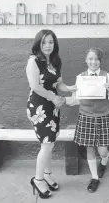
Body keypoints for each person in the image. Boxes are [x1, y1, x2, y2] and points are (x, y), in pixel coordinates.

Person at [26, 29, 76, 199]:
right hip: (39, 108)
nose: (48, 45)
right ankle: (38, 179)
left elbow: (59, 84)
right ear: (38, 43)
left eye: (51, 42)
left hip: (52, 107)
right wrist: (55, 98)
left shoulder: (55, 61)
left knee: (50, 143)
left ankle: (46, 175)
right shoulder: (33, 61)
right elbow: (36, 87)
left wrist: (69, 89)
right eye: (44, 42)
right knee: (47, 144)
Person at [65, 47, 109, 193]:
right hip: (86, 116)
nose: (93, 62)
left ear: (100, 61)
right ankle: (95, 178)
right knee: (89, 148)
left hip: (102, 117)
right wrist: (66, 96)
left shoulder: (107, 76)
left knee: (102, 151)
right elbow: (76, 100)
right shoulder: (81, 77)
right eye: (90, 59)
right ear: (86, 60)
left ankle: (104, 161)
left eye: (96, 59)